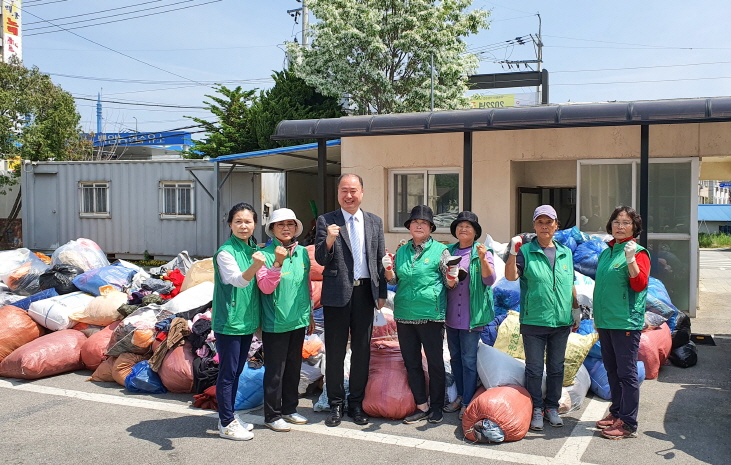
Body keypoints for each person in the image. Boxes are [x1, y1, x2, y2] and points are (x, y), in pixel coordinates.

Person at [314, 174, 387, 427]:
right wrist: (330, 239)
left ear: (362, 193)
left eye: (353, 190)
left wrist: (381, 294)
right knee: (334, 352)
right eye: (344, 190)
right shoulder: (327, 220)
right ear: (338, 193)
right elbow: (321, 259)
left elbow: (379, 261)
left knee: (362, 352)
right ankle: (335, 404)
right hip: (336, 294)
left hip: (365, 294)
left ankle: (356, 403)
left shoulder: (374, 222)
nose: (349, 195)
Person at [505, 205, 580, 432]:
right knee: (535, 369)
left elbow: (570, 284)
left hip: (561, 321)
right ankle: (536, 408)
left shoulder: (565, 252)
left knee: (557, 368)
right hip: (535, 320)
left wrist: (575, 309)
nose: (545, 226)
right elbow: (510, 276)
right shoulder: (526, 251)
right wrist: (512, 252)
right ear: (534, 226)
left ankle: (552, 407)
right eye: (540, 222)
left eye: (549, 222)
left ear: (556, 225)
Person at [382, 205, 451, 425]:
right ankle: (422, 405)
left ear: (431, 227)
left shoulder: (441, 251)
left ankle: (437, 407)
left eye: (424, 223)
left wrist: (453, 276)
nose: (419, 225)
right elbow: (394, 281)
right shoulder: (401, 251)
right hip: (404, 315)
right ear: (409, 227)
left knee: (435, 363)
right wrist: (388, 270)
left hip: (431, 315)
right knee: (411, 362)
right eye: (414, 222)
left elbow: (451, 283)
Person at [593, 206, 650, 440]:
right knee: (612, 370)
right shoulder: (607, 252)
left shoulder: (638, 252)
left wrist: (630, 259)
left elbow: (639, 284)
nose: (620, 226)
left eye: (626, 222)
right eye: (616, 221)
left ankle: (627, 422)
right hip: (606, 321)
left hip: (625, 322)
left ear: (634, 227)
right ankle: (616, 412)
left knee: (626, 374)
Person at [257, 208, 315, 432]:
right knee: (275, 371)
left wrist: (308, 313)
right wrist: (277, 264)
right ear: (272, 229)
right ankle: (272, 415)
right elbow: (265, 286)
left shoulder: (301, 253)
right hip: (275, 321)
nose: (286, 228)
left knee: (293, 367)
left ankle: (290, 409)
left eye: (290, 224)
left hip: (298, 320)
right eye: (280, 224)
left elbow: (306, 285)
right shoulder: (265, 254)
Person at [212, 203, 265, 441]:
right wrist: (256, 265)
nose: (244, 226)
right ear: (230, 224)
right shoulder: (225, 252)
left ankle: (230, 415)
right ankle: (225, 423)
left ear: (255, 224)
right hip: (230, 322)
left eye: (248, 221)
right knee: (228, 373)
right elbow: (237, 281)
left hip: (246, 320)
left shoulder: (250, 247)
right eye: (238, 221)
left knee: (237, 372)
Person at [442, 211, 497, 419]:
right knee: (455, 358)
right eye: (460, 226)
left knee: (469, 359)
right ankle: (460, 396)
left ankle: (468, 400)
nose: (463, 229)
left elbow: (490, 280)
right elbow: (440, 278)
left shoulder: (482, 251)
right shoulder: (448, 252)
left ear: (475, 232)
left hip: (471, 316)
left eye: (468, 226)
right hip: (451, 316)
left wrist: (482, 259)